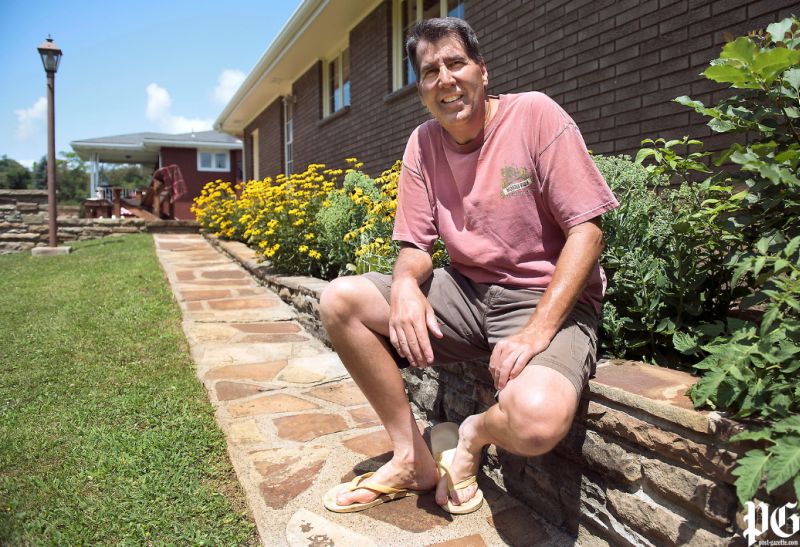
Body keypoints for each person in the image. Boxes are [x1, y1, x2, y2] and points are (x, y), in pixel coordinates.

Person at [319, 17, 618, 514]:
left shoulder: (534, 115)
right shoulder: (423, 143)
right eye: (430, 71)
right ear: (420, 91)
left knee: (535, 421)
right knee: (339, 300)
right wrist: (407, 288)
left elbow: (588, 231)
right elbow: (415, 245)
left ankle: (473, 433)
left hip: (544, 300)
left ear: (483, 71)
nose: (445, 79)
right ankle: (412, 456)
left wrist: (536, 330)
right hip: (464, 292)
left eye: (455, 63)